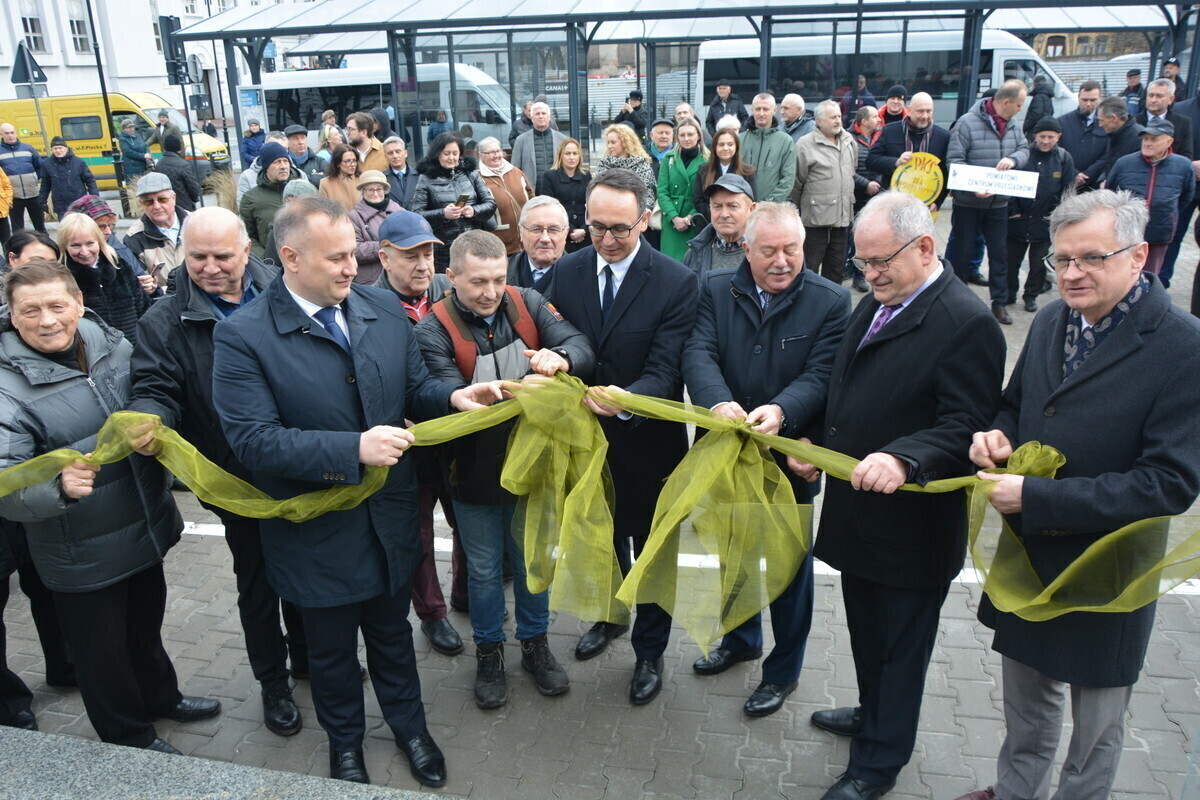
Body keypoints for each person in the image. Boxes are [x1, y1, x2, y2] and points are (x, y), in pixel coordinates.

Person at [211, 194, 503, 785]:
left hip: (387, 519)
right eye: (338, 257)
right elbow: (254, 442)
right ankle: (344, 745)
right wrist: (352, 449)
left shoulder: (382, 310)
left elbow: (413, 387)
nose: (354, 267)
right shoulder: (243, 336)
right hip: (315, 531)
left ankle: (410, 729)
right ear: (290, 258)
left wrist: (450, 397)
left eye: (354, 254)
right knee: (331, 652)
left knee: (393, 636)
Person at [958, 189, 1200, 800]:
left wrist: (1037, 500)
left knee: (1096, 725)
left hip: (1108, 569)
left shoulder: (1183, 345)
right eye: (1061, 260)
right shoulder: (1049, 319)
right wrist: (997, 435)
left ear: (1139, 255)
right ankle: (1016, 792)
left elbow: (1170, 483)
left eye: (1091, 258)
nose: (1071, 274)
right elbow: (1016, 405)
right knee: (1026, 704)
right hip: (1031, 556)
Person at [793, 191, 1005, 800]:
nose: (870, 273)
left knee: (900, 650)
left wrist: (905, 457)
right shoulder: (878, 302)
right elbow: (845, 386)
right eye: (862, 263)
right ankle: (871, 714)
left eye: (881, 261)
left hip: (912, 529)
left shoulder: (967, 322)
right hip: (860, 513)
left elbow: (967, 423)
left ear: (926, 247)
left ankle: (877, 765)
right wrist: (814, 442)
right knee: (866, 633)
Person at [0, 260, 221, 753]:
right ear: (12, 316)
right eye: (30, 310)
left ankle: (163, 697)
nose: (47, 320)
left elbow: (153, 393)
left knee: (144, 630)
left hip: (142, 527)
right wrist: (54, 485)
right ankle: (128, 737)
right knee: (102, 655)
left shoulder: (114, 345)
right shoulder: (5, 388)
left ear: (79, 303)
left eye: (58, 305)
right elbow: (5, 484)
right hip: (79, 553)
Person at [128, 207, 306, 738]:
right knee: (258, 583)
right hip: (234, 479)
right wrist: (150, 419)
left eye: (221, 256)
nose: (208, 267)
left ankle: (311, 661)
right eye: (196, 256)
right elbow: (156, 388)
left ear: (246, 250)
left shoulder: (280, 285)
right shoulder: (163, 321)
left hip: (299, 464)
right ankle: (273, 682)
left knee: (305, 570)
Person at [684, 200, 850, 717]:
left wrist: (782, 411)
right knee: (733, 555)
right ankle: (741, 640)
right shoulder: (713, 288)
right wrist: (715, 401)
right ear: (745, 249)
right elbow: (698, 352)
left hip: (788, 461)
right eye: (770, 251)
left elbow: (824, 375)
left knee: (787, 574)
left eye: (793, 249)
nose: (783, 261)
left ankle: (783, 671)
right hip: (726, 453)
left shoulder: (831, 301)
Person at [415, 230, 591, 709]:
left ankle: (535, 644)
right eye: (476, 282)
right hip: (473, 472)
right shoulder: (432, 329)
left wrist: (564, 355)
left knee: (534, 559)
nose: (490, 292)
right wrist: (468, 396)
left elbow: (578, 342)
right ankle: (489, 650)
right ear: (450, 278)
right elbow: (440, 390)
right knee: (487, 569)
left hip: (534, 466)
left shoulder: (528, 300)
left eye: (497, 279)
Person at [546, 168, 699, 705]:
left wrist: (624, 400)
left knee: (652, 551)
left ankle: (650, 651)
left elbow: (668, 368)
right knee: (601, 540)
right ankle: (608, 617)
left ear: (645, 220)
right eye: (596, 227)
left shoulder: (677, 282)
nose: (607, 240)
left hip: (648, 443)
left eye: (620, 229)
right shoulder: (565, 272)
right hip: (586, 444)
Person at [370, 210, 465, 657]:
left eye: (428, 252)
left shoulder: (450, 293)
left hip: (460, 434)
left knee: (468, 519)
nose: (423, 264)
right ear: (384, 258)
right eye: (411, 255)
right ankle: (433, 614)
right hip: (407, 443)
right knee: (418, 532)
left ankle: (467, 592)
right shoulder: (366, 307)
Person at [947, 79, 1028, 325]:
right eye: (1018, 104)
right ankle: (956, 303)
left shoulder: (1014, 126)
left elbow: (1025, 149)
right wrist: (973, 190)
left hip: (999, 205)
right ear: (1005, 102)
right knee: (961, 254)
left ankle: (999, 303)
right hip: (968, 205)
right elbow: (954, 161)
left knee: (999, 255)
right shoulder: (966, 124)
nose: (1020, 109)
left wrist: (1014, 159)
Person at [1005, 117, 1076, 313]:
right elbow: (1009, 185)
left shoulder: (1063, 158)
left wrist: (1058, 217)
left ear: (1058, 137)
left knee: (1038, 263)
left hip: (1045, 222)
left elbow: (1068, 190)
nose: (1046, 141)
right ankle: (1009, 292)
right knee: (1011, 261)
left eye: (1050, 137)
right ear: (1034, 136)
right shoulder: (1023, 155)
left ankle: (1031, 295)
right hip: (1019, 219)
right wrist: (1013, 211)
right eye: (1042, 136)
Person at [1106, 118, 1194, 275]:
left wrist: (1167, 211)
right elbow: (1110, 192)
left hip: (1159, 233)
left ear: (1169, 142)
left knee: (1150, 277)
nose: (1147, 143)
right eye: (1145, 138)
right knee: (1122, 275)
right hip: (1127, 233)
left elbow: (1185, 197)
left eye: (1154, 139)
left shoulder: (1183, 166)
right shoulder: (1124, 163)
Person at [793, 100, 861, 285]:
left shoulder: (849, 141)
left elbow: (851, 171)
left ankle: (832, 309)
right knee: (809, 270)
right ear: (819, 121)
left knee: (836, 271)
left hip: (842, 219)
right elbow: (797, 182)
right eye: (833, 117)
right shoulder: (805, 145)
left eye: (839, 116)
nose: (838, 121)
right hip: (815, 221)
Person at [57, 212, 150, 344]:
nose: (84, 251)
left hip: (134, 350)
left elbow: (144, 311)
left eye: (90, 243)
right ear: (64, 246)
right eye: (75, 245)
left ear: (99, 241)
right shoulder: (61, 279)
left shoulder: (120, 267)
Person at [412, 132, 496, 273]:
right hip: (443, 249)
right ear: (437, 153)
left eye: (455, 153)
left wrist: (474, 211)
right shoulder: (426, 178)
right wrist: (443, 214)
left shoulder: (471, 173)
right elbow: (416, 214)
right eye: (446, 153)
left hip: (474, 242)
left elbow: (490, 203)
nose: (451, 158)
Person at [866, 92, 950, 212]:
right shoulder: (890, 131)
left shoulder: (943, 136)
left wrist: (938, 201)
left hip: (925, 205)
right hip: (892, 204)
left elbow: (946, 173)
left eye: (929, 111)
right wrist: (896, 162)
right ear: (909, 110)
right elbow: (871, 161)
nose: (925, 116)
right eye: (920, 111)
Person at [66, 196, 157, 298]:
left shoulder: (119, 253)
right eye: (102, 226)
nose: (108, 232)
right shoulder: (63, 268)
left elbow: (142, 285)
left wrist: (149, 288)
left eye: (110, 225)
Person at [124, 172, 189, 290]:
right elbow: (137, 285)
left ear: (173, 198)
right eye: (148, 202)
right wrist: (150, 289)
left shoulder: (197, 224)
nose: (156, 206)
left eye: (162, 199)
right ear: (141, 204)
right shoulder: (134, 239)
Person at [656, 118, 709, 261]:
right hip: (672, 220)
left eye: (690, 134)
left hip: (695, 219)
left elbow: (706, 195)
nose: (686, 139)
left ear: (698, 135)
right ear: (677, 137)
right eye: (682, 135)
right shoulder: (668, 158)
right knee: (670, 264)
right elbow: (662, 192)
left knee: (692, 263)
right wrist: (674, 217)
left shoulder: (708, 159)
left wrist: (689, 217)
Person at [684, 174, 756, 277]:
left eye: (733, 206)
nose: (724, 214)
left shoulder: (768, 253)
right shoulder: (694, 253)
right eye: (717, 206)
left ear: (751, 209)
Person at [241, 141, 302, 258]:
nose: (283, 166)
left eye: (285, 161)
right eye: (277, 162)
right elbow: (247, 236)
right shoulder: (251, 198)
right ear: (266, 167)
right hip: (271, 266)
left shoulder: (302, 189)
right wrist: (265, 259)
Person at [477, 137, 534, 256]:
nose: (496, 155)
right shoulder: (478, 178)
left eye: (498, 151)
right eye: (491, 152)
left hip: (526, 243)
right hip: (499, 245)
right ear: (480, 155)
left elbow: (531, 197)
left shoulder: (516, 172)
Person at [740, 94, 797, 203]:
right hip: (743, 208)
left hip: (771, 210)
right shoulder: (740, 140)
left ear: (774, 110)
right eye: (757, 109)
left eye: (765, 109)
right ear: (752, 110)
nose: (761, 113)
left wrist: (768, 203)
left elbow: (788, 180)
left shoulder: (785, 141)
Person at [536, 138, 589, 253]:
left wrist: (584, 229)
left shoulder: (587, 176)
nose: (571, 157)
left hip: (585, 235)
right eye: (567, 153)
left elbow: (593, 206)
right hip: (560, 232)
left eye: (575, 153)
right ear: (560, 155)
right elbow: (547, 208)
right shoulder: (550, 176)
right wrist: (570, 230)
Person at [693, 127, 757, 221]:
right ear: (715, 147)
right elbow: (698, 200)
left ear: (736, 147)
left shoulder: (748, 172)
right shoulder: (703, 170)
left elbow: (751, 200)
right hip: (708, 223)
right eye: (721, 144)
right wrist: (717, 216)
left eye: (730, 144)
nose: (725, 148)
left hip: (737, 223)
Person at [507, 196, 569, 293]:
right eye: (536, 229)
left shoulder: (582, 279)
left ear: (566, 233)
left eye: (553, 230)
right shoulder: (501, 273)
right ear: (521, 232)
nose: (545, 238)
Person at [349, 170, 400, 285]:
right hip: (372, 280)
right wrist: (384, 245)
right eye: (370, 189)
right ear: (363, 192)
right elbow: (354, 250)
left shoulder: (399, 211)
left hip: (399, 276)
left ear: (385, 191)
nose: (375, 193)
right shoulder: (354, 216)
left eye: (379, 189)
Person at [1055, 80, 1105, 192]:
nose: (1088, 104)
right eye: (1084, 100)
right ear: (1078, 97)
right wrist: (1074, 173)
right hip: (1067, 183)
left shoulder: (1106, 124)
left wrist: (1088, 174)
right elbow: (1057, 150)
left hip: (1095, 186)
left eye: (1093, 100)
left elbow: (1108, 154)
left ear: (1100, 98)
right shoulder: (1063, 122)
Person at [1088, 96, 1141, 191]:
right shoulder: (1114, 134)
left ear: (1114, 118)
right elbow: (1109, 164)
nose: (1100, 125)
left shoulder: (1138, 138)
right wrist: (1103, 181)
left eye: (1102, 120)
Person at [263, 179, 320, 267]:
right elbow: (271, 266)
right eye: (288, 201)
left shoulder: (322, 228)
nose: (291, 206)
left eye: (296, 201)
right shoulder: (277, 231)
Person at [38, 137, 98, 219]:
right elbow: (45, 184)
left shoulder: (78, 162)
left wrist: (95, 198)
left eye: (60, 148)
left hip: (79, 203)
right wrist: (42, 201)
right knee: (66, 230)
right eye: (55, 148)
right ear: (52, 149)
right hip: (60, 205)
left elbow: (90, 181)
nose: (58, 151)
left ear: (66, 148)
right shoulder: (47, 164)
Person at [511, 102, 566, 191]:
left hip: (557, 191)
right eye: (537, 114)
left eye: (544, 113)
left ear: (549, 117)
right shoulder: (521, 141)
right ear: (532, 118)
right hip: (531, 192)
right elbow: (514, 170)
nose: (541, 116)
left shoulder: (563, 140)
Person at [0, 124, 44, 233]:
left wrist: (34, 180)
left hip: (33, 194)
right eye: (7, 133)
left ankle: (45, 247)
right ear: (1, 135)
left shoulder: (28, 148)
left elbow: (40, 167)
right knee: (18, 230)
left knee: (40, 227)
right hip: (14, 197)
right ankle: (18, 249)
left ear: (16, 133)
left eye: (12, 132)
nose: (10, 135)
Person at [1135, 78, 1193, 159]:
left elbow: (1186, 157)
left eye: (1159, 96)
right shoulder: (1133, 122)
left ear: (1171, 99)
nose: (1153, 100)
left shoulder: (1183, 123)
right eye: (1151, 95)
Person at [153, 135, 202, 212]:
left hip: (165, 205)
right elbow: (193, 188)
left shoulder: (159, 164)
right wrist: (194, 199)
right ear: (178, 149)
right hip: (184, 206)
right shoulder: (183, 165)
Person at [237, 130, 287, 205]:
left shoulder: (298, 174)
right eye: (274, 148)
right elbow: (244, 209)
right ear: (264, 146)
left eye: (284, 149)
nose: (279, 153)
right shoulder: (247, 177)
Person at [319, 144, 363, 212]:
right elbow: (324, 210)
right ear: (337, 163)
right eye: (347, 161)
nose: (353, 164)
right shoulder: (325, 183)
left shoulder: (363, 180)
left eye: (354, 160)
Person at [382, 136, 416, 209]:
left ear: (405, 153)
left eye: (398, 151)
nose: (395, 156)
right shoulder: (382, 179)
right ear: (385, 157)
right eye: (390, 153)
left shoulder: (420, 176)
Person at [1021, 74, 1056, 143]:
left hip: (1034, 131)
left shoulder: (1038, 97)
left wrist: (1025, 127)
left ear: (1035, 84)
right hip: (1045, 129)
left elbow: (1035, 114)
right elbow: (1051, 112)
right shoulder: (1048, 96)